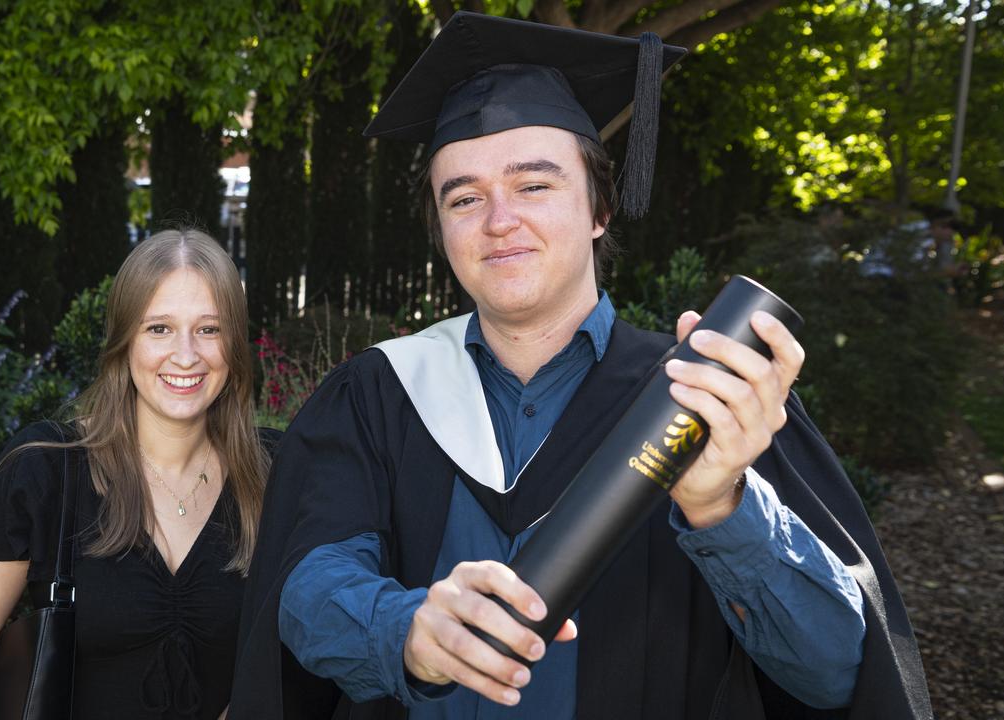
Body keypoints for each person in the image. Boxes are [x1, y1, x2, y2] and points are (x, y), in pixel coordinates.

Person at [231, 12, 931, 720]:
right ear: (441, 230)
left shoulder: (705, 400)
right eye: (464, 197)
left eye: (534, 185)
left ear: (600, 207)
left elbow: (835, 671)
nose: (498, 220)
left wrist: (723, 504)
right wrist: (403, 630)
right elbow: (308, 585)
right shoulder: (378, 394)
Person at [0, 228, 273, 720]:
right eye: (159, 328)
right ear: (123, 339)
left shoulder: (272, 475)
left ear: (234, 344)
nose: (187, 355)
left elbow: (298, 658)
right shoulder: (47, 468)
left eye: (209, 329)